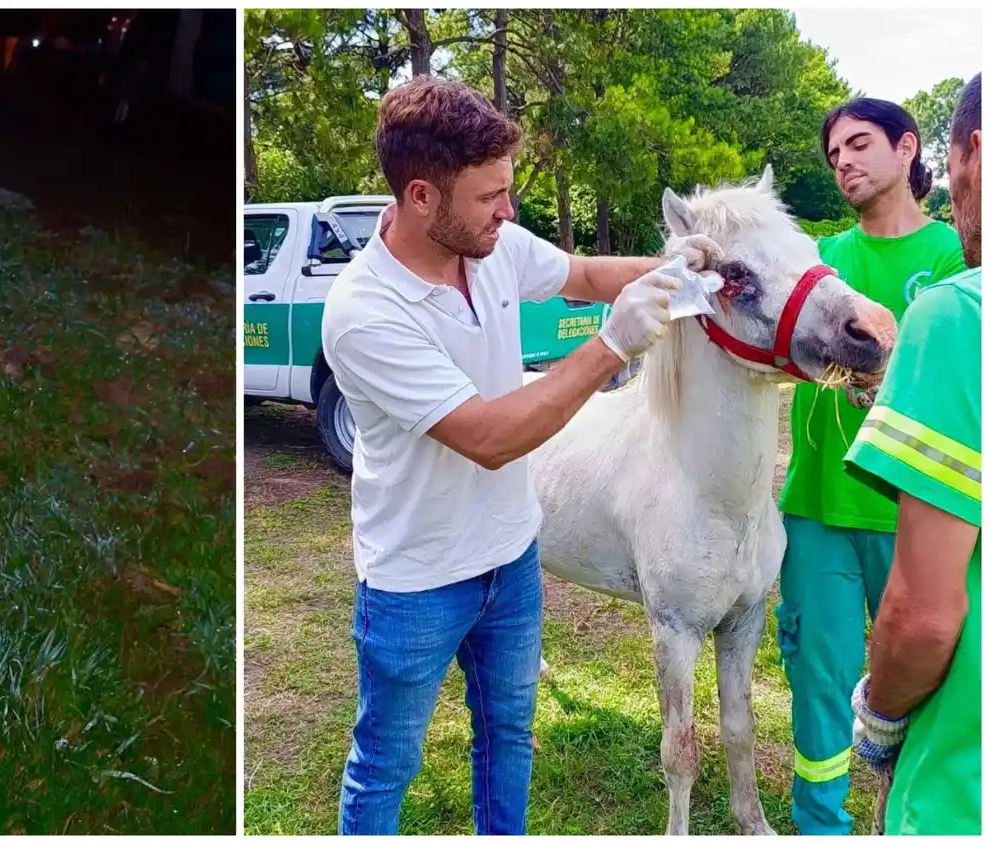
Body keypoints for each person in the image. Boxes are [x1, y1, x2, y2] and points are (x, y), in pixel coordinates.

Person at [320, 74, 721, 835]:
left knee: (507, 736)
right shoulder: (364, 311)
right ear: (421, 197)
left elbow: (588, 275)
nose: (509, 210)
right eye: (490, 195)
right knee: (386, 763)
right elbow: (490, 438)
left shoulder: (492, 245)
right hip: (416, 581)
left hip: (510, 560)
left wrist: (682, 267)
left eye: (508, 190)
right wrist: (611, 346)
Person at [774, 96, 967, 835]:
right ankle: (820, 824)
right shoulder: (818, 262)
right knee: (818, 681)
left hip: (918, 513)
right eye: (834, 155)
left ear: (908, 148)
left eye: (859, 144)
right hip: (819, 508)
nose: (844, 162)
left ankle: (910, 818)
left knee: (931, 683)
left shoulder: (954, 255)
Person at [846, 71, 981, 837]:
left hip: (965, 784)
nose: (843, 162)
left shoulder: (960, 308)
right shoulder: (829, 252)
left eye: (859, 144)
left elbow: (924, 615)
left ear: (973, 155)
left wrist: (882, 720)